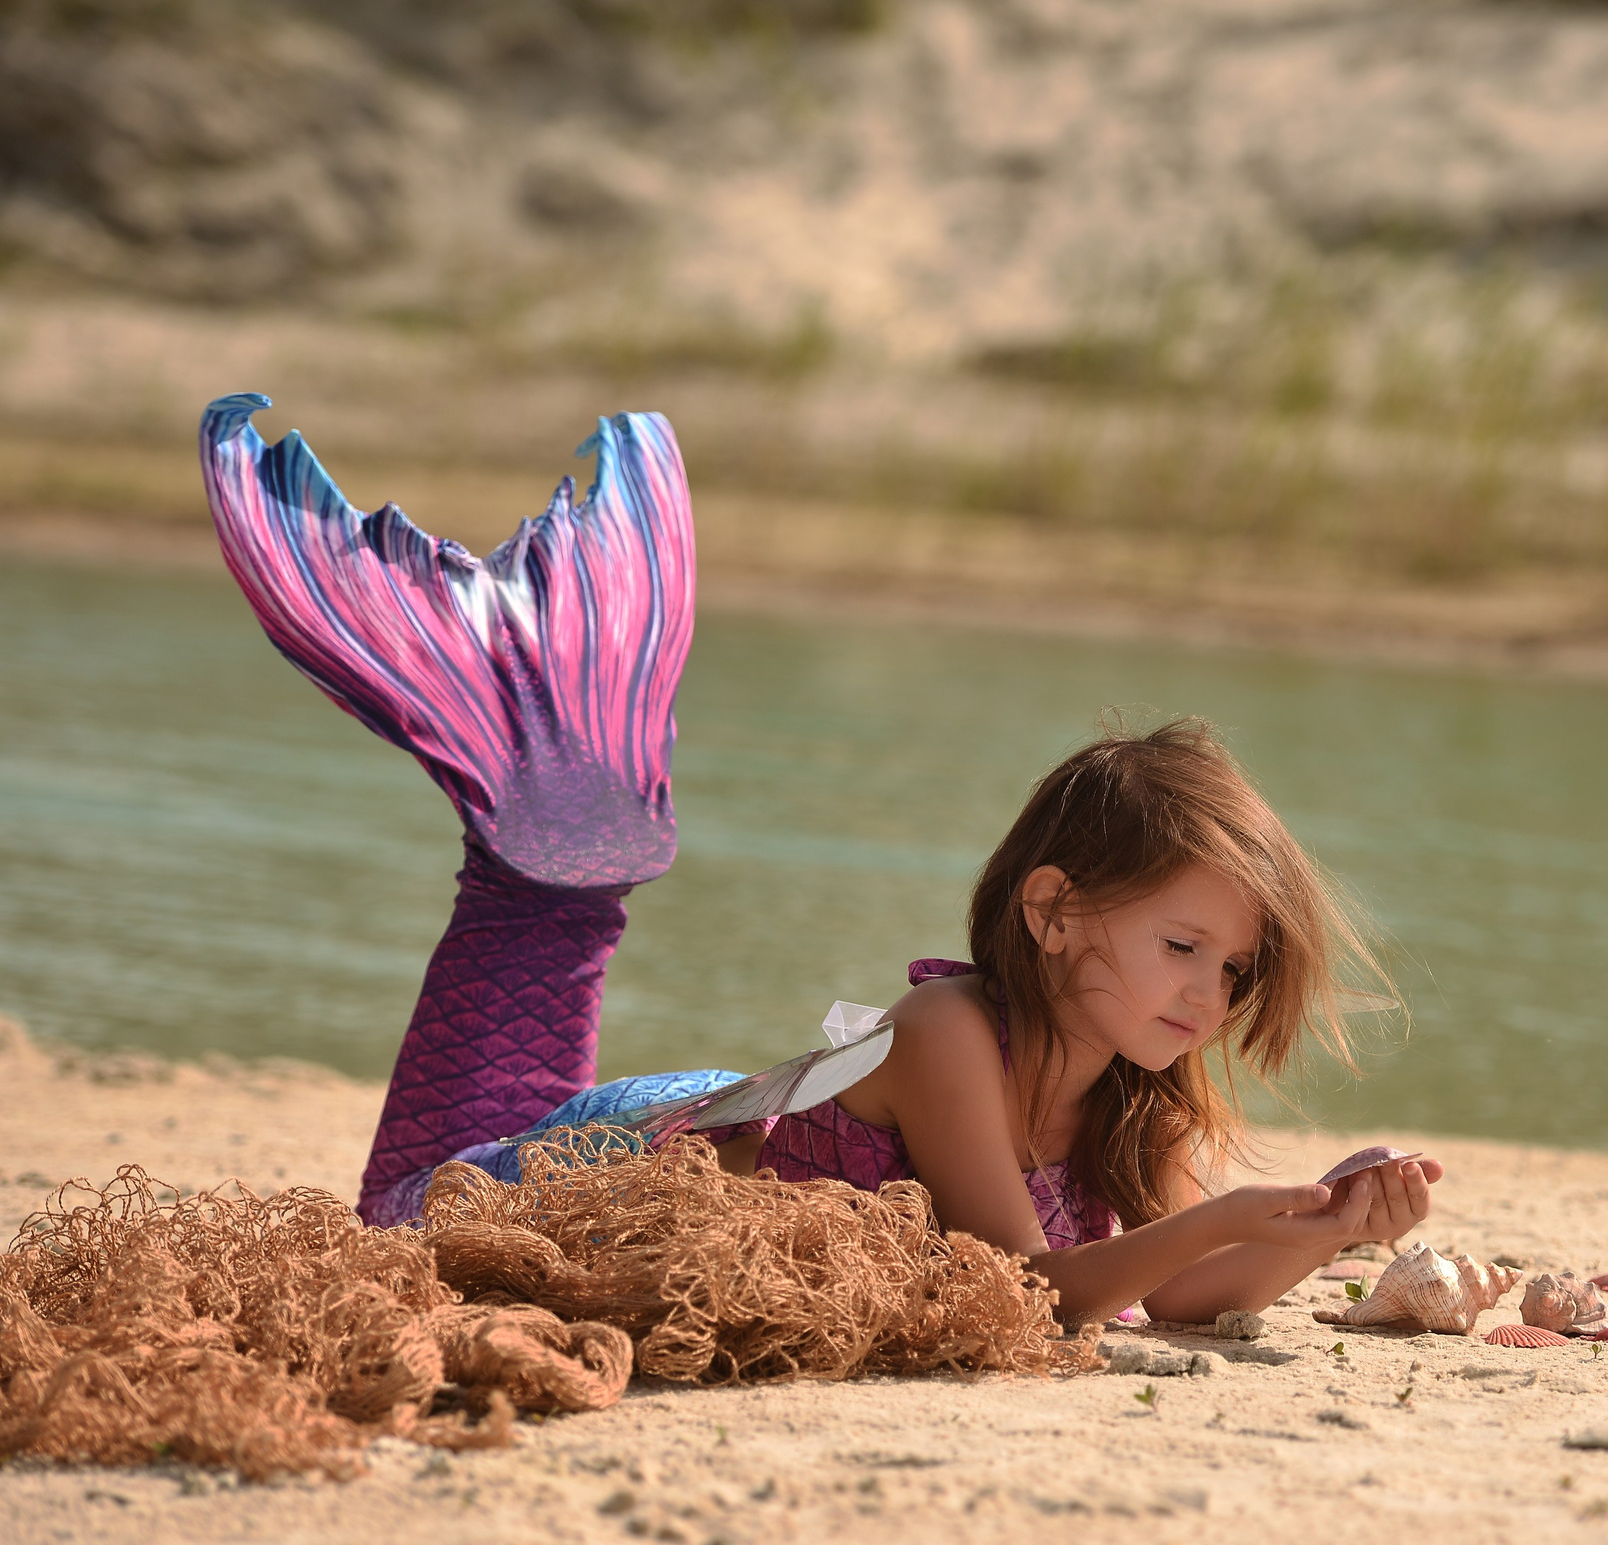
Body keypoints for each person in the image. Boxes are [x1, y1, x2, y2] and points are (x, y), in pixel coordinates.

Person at [200, 393, 1440, 1327]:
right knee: (397, 1223)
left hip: (720, 1109)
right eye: (1183, 946)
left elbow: (1182, 1294)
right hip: (579, 1174)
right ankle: (538, 806)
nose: (1207, 996)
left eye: (1233, 970)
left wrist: (1313, 1226)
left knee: (553, 892)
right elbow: (1035, 1297)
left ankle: (549, 814)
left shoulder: (1133, 1079)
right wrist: (1233, 1215)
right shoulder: (949, 1029)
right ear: (1053, 910)